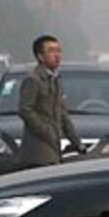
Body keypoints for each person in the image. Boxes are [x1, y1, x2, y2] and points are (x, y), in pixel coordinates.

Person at [18, 35, 86, 169]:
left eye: (58, 51)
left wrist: (77, 142)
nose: (57, 55)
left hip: (53, 149)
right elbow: (25, 109)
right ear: (40, 56)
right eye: (51, 51)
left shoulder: (55, 80)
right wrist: (46, 131)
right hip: (37, 152)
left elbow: (62, 114)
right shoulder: (33, 80)